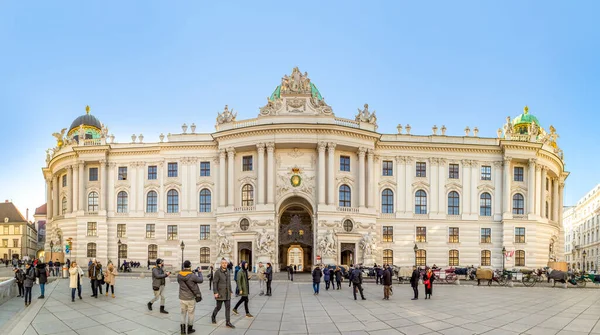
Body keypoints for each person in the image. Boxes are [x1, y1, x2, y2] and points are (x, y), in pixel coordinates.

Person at [178, 260, 203, 334]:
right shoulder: (192, 275)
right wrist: (200, 272)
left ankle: (182, 330)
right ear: (190, 266)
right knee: (191, 314)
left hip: (182, 297)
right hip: (190, 298)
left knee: (183, 313)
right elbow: (200, 280)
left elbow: (180, 281)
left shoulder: (179, 275)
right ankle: (189, 329)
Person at [211, 258, 235, 328]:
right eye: (223, 263)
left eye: (225, 263)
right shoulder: (218, 272)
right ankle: (213, 316)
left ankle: (228, 322)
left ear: (227, 264)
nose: (224, 264)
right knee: (218, 307)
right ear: (221, 264)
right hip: (220, 293)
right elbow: (215, 283)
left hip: (227, 293)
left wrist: (230, 290)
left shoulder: (228, 271)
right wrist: (215, 292)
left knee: (228, 308)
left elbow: (229, 282)